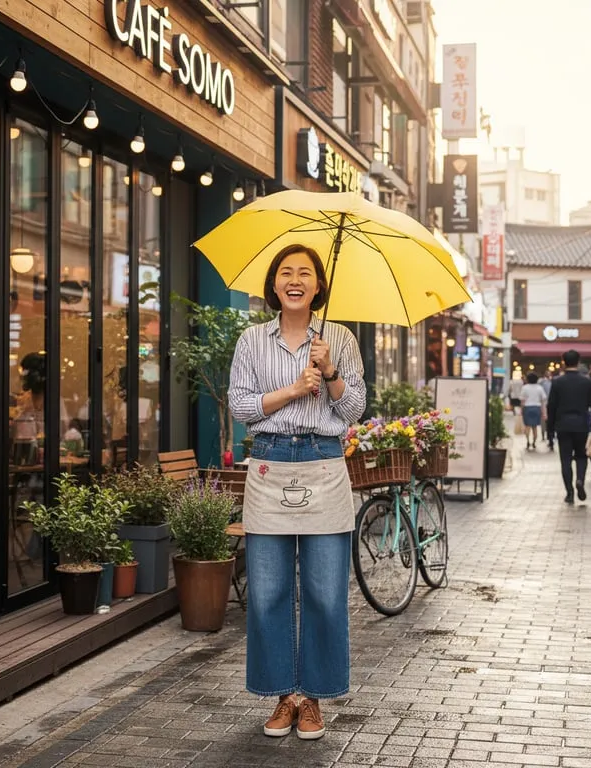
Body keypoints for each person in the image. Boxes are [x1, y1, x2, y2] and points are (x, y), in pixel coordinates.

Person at [228, 243, 366, 741]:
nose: (294, 279)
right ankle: (283, 695)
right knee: (267, 591)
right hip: (269, 461)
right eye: (285, 272)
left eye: (304, 273)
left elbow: (353, 409)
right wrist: (292, 388)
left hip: (324, 461)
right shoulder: (251, 340)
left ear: (317, 286)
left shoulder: (341, 339)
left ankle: (313, 698)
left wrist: (329, 373)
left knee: (325, 592)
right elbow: (242, 407)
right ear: (273, 285)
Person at [547, 349, 591, 504]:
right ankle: (580, 481)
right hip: (581, 424)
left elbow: (552, 406)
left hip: (562, 424)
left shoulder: (557, 382)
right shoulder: (587, 381)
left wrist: (550, 428)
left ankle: (569, 492)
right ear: (578, 361)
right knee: (581, 455)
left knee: (565, 459)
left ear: (564, 361)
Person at [520, 371, 546, 450]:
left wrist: (521, 410)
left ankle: (528, 441)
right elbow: (543, 400)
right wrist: (544, 412)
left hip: (527, 408)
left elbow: (522, 400)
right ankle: (534, 442)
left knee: (527, 426)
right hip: (537, 408)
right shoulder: (539, 388)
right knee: (535, 427)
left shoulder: (525, 387)